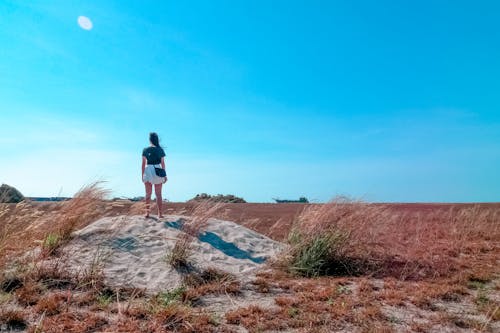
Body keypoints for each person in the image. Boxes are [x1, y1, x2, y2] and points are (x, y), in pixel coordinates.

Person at [142, 132, 167, 218]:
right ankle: (160, 214)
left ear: (150, 140)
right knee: (158, 194)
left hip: (148, 170)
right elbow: (163, 164)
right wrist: (165, 175)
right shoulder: (160, 149)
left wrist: (142, 175)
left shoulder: (145, 149)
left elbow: (143, 164)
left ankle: (147, 213)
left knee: (148, 194)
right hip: (158, 170)